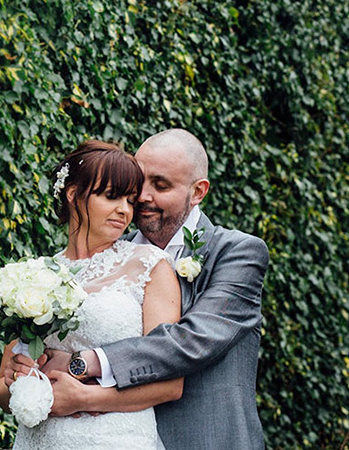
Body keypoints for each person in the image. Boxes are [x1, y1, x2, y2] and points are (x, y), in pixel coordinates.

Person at [40, 129, 269, 450]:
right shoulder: (111, 255)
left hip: (207, 440)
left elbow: (192, 340)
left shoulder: (237, 252)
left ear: (198, 191)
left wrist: (83, 362)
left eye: (161, 185)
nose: (142, 196)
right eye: (139, 181)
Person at [0, 140, 184, 449]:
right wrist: (19, 378)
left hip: (117, 439)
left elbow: (169, 384)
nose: (124, 210)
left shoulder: (151, 266)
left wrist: (82, 398)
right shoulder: (32, 278)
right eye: (111, 196)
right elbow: (2, 392)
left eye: (130, 200)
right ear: (74, 194)